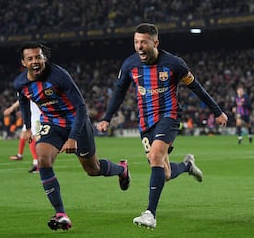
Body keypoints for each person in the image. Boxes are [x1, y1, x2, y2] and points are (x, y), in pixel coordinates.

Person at [97, 23, 228, 229]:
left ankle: (150, 213)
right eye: (136, 42)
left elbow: (196, 87)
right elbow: (119, 92)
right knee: (164, 173)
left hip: (169, 116)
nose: (139, 47)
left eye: (144, 42)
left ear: (156, 42)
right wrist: (107, 117)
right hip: (145, 122)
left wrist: (217, 111)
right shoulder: (129, 65)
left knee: (156, 156)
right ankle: (187, 166)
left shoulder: (174, 64)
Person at [13, 41, 131, 231]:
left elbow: (81, 107)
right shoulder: (20, 82)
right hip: (51, 123)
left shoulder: (59, 76)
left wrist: (72, 137)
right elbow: (23, 100)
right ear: (24, 62)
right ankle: (61, 214)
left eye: (38, 57)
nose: (35, 61)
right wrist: (27, 127)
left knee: (93, 169)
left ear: (45, 58)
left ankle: (122, 169)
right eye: (30, 58)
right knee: (42, 159)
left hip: (77, 123)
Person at [5, 100, 41, 173]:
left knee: (32, 138)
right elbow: (22, 99)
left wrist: (11, 108)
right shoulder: (25, 90)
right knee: (23, 135)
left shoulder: (31, 89)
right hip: (30, 116)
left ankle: (37, 164)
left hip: (36, 117)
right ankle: (19, 155)